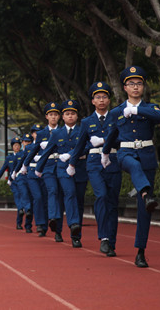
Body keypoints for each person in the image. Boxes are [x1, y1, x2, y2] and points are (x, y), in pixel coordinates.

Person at [102, 66, 160, 268]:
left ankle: (141, 252)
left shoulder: (150, 108)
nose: (135, 87)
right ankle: (147, 194)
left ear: (143, 86)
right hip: (125, 154)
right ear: (124, 87)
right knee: (133, 166)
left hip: (147, 155)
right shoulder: (116, 112)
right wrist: (105, 152)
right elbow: (111, 134)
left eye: (139, 83)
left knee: (144, 212)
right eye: (131, 84)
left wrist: (136, 110)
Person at [68, 81, 120, 257]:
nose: (101, 100)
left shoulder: (116, 118)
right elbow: (81, 144)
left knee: (113, 202)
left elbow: (123, 140)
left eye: (104, 97)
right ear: (92, 101)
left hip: (113, 160)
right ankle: (104, 237)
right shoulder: (87, 122)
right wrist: (72, 163)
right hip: (94, 163)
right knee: (102, 196)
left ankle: (111, 241)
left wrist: (105, 141)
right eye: (98, 97)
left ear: (108, 100)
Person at [36, 99, 83, 248]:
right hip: (62, 169)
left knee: (78, 201)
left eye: (73, 114)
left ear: (77, 116)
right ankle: (70, 227)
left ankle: (76, 234)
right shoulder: (57, 133)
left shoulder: (82, 130)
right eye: (67, 114)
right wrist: (38, 168)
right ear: (63, 117)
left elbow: (87, 145)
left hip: (80, 168)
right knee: (68, 194)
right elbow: (47, 151)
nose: (70, 116)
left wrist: (71, 154)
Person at [21, 104, 61, 239]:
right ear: (47, 117)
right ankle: (41, 225)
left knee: (54, 196)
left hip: (60, 166)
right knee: (40, 197)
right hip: (44, 168)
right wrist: (25, 165)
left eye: (55, 114)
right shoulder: (42, 134)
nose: (53, 117)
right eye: (51, 115)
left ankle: (56, 227)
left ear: (58, 117)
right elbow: (33, 150)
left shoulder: (63, 131)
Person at [16, 123, 47, 236]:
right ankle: (39, 224)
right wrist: (15, 172)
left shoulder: (47, 144)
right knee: (37, 197)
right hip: (32, 175)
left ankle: (45, 226)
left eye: (39, 132)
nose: (36, 134)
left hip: (45, 173)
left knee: (44, 200)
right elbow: (23, 160)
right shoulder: (29, 147)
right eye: (34, 132)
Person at [0, 138, 24, 229]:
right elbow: (2, 169)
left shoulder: (22, 155)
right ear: (12, 147)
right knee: (17, 196)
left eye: (18, 145)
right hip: (13, 181)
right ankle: (19, 222)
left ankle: (21, 221)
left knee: (22, 199)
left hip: (22, 180)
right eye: (15, 145)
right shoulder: (9, 158)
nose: (17, 147)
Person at [13, 134, 35, 233]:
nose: (27, 143)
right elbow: (14, 168)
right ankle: (19, 222)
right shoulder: (18, 154)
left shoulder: (34, 151)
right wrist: (11, 177)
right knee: (24, 197)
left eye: (29, 142)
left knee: (30, 199)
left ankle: (28, 225)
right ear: (22, 143)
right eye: (25, 142)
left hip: (30, 176)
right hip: (21, 178)